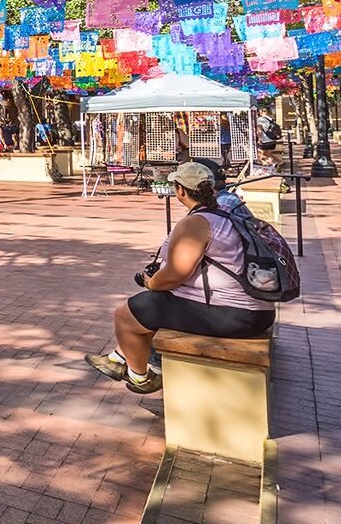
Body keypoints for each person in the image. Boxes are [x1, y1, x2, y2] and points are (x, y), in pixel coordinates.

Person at [86, 161, 277, 394]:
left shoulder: (197, 222)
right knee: (155, 306)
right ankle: (123, 360)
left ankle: (140, 376)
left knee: (127, 314)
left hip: (234, 314)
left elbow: (175, 274)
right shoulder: (222, 213)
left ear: (181, 190)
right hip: (254, 310)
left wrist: (151, 282)